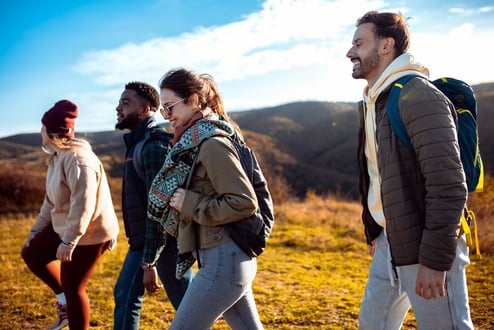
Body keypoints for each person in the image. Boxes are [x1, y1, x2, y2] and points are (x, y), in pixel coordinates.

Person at [346, 11, 474, 329]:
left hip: (427, 244)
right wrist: (376, 228)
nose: (350, 52)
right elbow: (377, 175)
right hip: (391, 241)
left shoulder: (418, 96)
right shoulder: (374, 101)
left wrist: (434, 260)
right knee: (372, 323)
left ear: (387, 45)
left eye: (359, 43)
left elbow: (448, 184)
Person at [144, 67, 264, 329]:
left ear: (194, 100)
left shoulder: (212, 144)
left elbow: (243, 202)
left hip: (224, 262)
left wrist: (190, 204)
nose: (167, 116)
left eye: (170, 107)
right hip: (226, 260)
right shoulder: (193, 143)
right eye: (163, 110)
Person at [21, 99, 120, 330]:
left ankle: (72, 311)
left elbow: (83, 204)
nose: (40, 131)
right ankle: (65, 307)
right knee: (32, 253)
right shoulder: (57, 157)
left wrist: (69, 241)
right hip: (67, 226)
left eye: (42, 127)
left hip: (90, 233)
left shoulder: (79, 160)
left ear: (51, 130)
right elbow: (50, 201)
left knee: (74, 287)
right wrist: (35, 232)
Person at [113, 81, 192, 329]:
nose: (118, 108)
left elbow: (160, 207)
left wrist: (150, 262)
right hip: (144, 241)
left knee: (189, 307)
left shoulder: (153, 145)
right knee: (125, 295)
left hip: (164, 243)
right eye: (119, 103)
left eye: (126, 103)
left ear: (146, 109)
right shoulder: (137, 144)